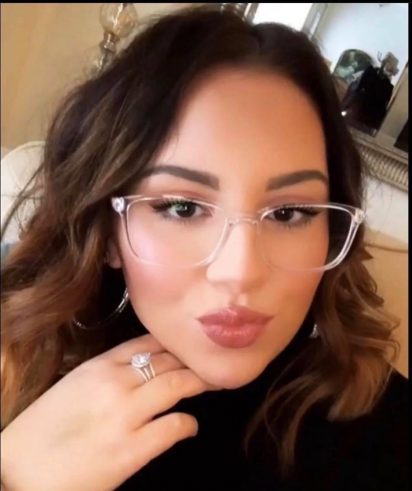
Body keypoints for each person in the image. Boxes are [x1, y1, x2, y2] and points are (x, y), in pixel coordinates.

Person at [0, 6, 408, 491]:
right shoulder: (17, 346)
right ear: (108, 232)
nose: (241, 272)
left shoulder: (387, 431)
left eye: (288, 213)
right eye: (182, 207)